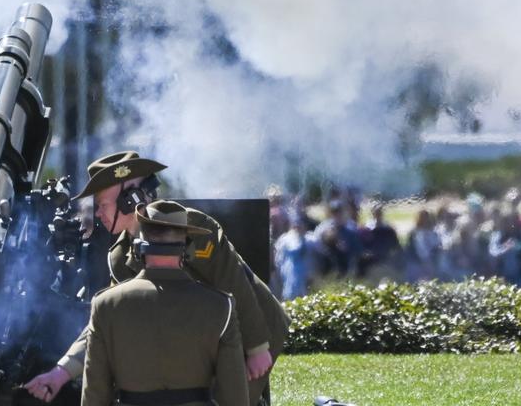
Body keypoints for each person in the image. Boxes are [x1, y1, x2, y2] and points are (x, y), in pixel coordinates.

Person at [26, 151, 288, 406]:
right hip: (209, 340)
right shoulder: (121, 255)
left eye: (102, 205)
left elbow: (235, 285)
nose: (98, 214)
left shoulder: (190, 229)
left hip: (255, 330)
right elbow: (104, 321)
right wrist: (60, 372)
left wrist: (256, 347)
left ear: (131, 199)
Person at [81, 200, 249, 406]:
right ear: (186, 248)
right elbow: (235, 397)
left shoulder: (105, 305)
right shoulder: (221, 306)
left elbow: (95, 394)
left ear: (138, 248)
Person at [273, 220, 311, 300]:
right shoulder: (285, 239)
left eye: (299, 227)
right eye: (295, 227)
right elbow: (279, 258)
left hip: (303, 276)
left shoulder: (308, 239)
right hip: (288, 273)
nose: (297, 229)